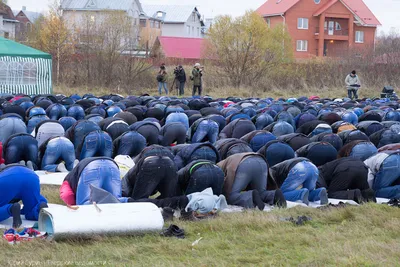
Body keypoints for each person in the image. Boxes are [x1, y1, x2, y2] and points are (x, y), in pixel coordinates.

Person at [60, 157, 128, 205]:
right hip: (112, 166)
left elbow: (67, 195)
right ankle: (129, 201)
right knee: (117, 201)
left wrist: (74, 204)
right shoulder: (73, 175)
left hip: (91, 168)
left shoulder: (66, 181)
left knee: (85, 205)